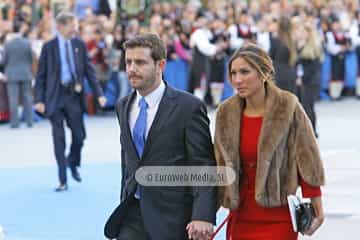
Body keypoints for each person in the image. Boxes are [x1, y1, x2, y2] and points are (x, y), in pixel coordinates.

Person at [104, 33, 216, 240]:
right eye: (128, 62)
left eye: (140, 62)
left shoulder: (188, 107)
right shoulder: (123, 106)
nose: (131, 69)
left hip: (173, 217)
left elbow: (203, 164)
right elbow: (128, 161)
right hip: (132, 213)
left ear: (160, 65)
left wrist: (202, 214)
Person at [214, 43, 325, 239]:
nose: (237, 79)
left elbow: (307, 156)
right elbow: (218, 164)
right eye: (233, 73)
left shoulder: (288, 106)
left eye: (245, 72)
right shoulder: (226, 112)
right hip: (240, 217)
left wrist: (316, 202)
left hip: (279, 216)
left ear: (264, 73)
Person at [34, 12, 106, 192]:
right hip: (55, 97)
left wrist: (99, 94)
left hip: (74, 95)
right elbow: (41, 74)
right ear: (60, 26)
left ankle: (72, 162)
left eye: (75, 25)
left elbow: (89, 71)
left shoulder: (79, 45)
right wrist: (39, 99)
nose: (75, 29)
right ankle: (62, 179)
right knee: (59, 138)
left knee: (80, 136)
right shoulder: (49, 47)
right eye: (71, 25)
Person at [3, 22, 34, 128]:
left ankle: (15, 123)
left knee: (13, 99)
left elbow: (4, 61)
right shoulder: (27, 43)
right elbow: (31, 58)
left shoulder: (8, 44)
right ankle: (30, 121)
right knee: (28, 98)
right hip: (25, 72)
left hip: (11, 74)